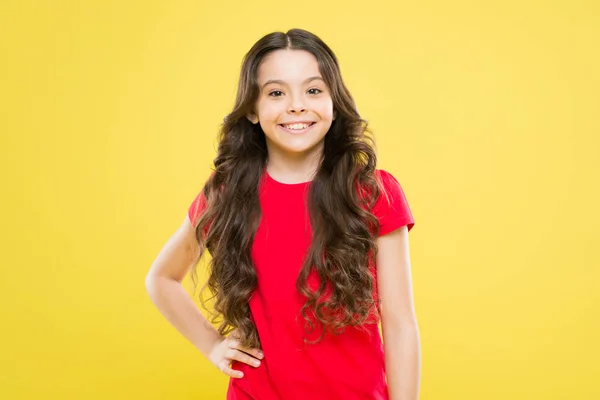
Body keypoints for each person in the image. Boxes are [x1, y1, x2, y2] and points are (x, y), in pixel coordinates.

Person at [145, 28, 421, 400]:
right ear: (253, 111)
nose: (296, 105)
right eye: (276, 93)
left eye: (313, 90)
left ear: (334, 102)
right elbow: (161, 279)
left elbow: (400, 323)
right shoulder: (227, 192)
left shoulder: (373, 192)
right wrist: (212, 346)